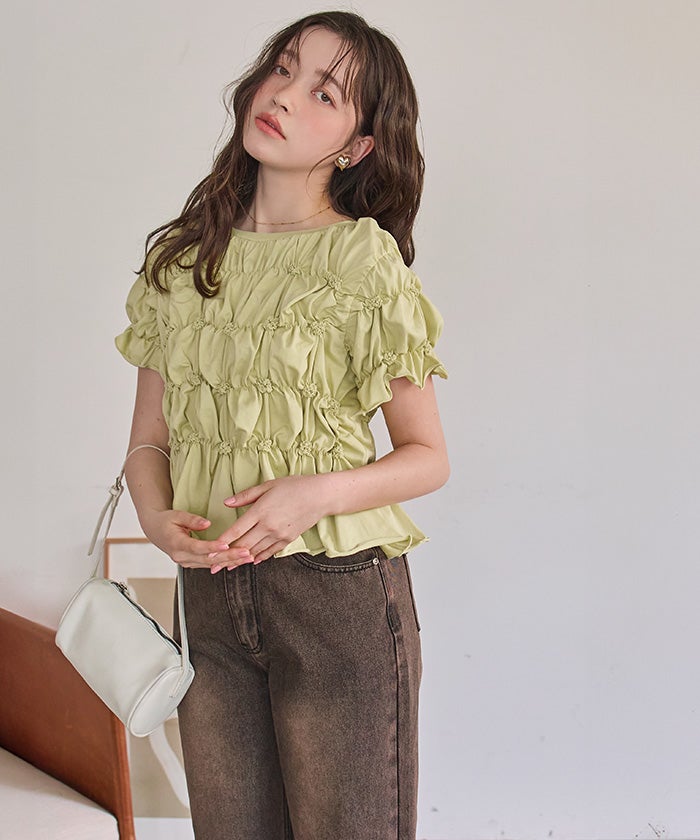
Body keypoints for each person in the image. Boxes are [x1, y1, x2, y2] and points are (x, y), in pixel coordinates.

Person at [115, 10, 449, 840]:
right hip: (208, 600)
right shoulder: (184, 262)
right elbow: (148, 443)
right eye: (285, 68)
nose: (285, 96)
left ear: (357, 146)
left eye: (324, 93)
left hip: (337, 600)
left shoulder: (361, 260)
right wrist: (155, 518)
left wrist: (313, 494)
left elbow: (427, 457)